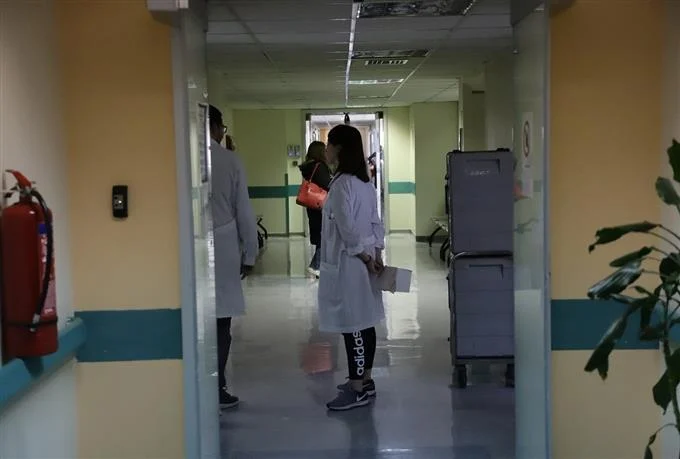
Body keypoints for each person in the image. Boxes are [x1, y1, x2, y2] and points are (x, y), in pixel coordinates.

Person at [317, 124, 385, 411]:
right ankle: (365, 380)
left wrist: (366, 258)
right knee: (366, 321)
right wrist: (377, 253)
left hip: (352, 263)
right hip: (365, 260)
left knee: (353, 325)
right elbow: (376, 223)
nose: (326, 150)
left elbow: (347, 230)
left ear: (339, 148)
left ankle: (356, 390)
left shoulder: (342, 184)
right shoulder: (364, 183)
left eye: (328, 144)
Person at [209, 105, 259, 409]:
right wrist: (250, 253)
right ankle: (216, 387)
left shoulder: (180, 157)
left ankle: (197, 386)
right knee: (221, 319)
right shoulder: (229, 160)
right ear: (215, 127)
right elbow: (243, 210)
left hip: (187, 247)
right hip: (223, 245)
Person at [298, 141, 332, 278]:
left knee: (321, 236)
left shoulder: (309, 167)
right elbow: (327, 184)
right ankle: (316, 266)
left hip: (313, 206)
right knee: (324, 235)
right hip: (320, 206)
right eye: (324, 150)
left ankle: (317, 265)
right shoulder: (319, 167)